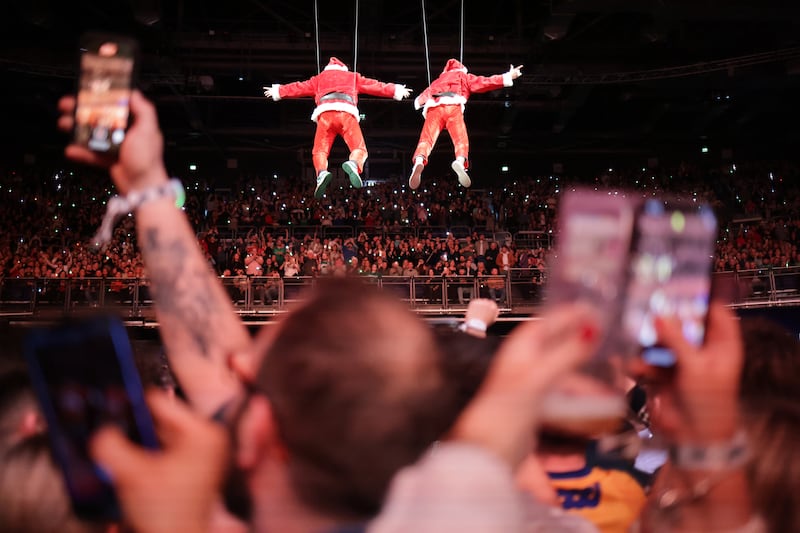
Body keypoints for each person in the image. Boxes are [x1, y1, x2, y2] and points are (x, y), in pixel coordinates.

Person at [263, 57, 411, 199]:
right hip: (346, 113)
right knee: (359, 149)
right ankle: (353, 163)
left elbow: (299, 87)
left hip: (325, 115)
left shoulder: (319, 79)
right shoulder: (352, 77)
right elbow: (375, 85)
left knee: (320, 150)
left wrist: (279, 91)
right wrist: (395, 90)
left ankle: (321, 173)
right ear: (343, 69)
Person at [408, 59, 522, 190]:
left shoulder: (437, 81)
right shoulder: (463, 76)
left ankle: (419, 161)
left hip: (434, 108)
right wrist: (508, 76)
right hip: (453, 107)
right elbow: (485, 82)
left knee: (426, 140)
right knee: (460, 139)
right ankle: (460, 162)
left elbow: (424, 95)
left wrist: (418, 102)